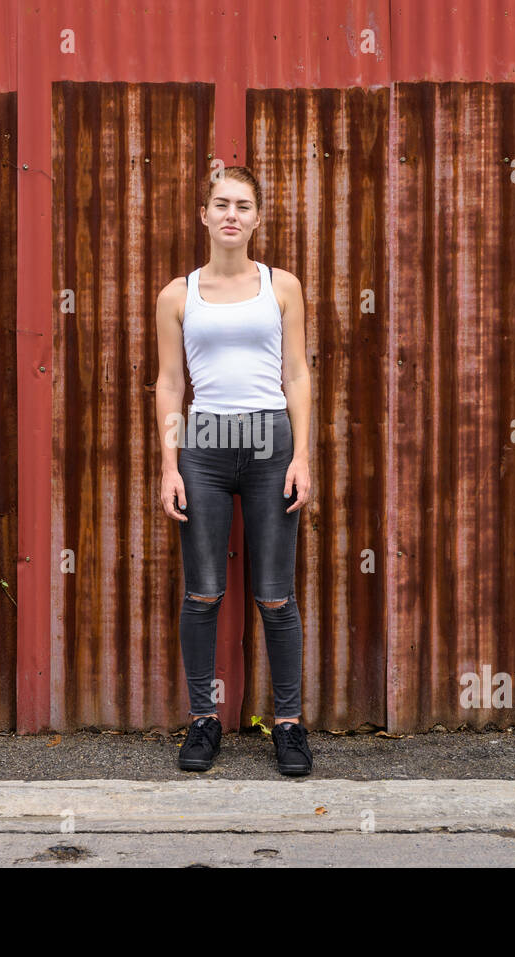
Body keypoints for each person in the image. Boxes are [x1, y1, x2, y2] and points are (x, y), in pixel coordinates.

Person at [153, 166, 314, 776]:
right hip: (206, 442)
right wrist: (170, 464)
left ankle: (289, 726)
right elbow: (170, 384)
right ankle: (203, 719)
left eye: (243, 206)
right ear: (203, 214)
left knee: (276, 595)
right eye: (220, 204)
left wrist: (301, 455)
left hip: (270, 438)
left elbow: (297, 374)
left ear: (256, 217)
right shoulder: (178, 294)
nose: (231, 215)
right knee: (203, 592)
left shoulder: (282, 287)